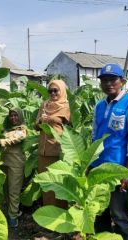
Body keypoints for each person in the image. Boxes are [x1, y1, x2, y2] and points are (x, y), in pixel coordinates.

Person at [91, 63, 128, 240]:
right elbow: (94, 138)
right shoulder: (99, 106)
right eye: (104, 80)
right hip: (98, 170)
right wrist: (90, 166)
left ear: (122, 81)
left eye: (113, 79)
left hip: (118, 170)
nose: (108, 83)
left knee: (119, 215)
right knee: (99, 212)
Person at [35, 79, 70, 208]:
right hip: (43, 151)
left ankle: (60, 216)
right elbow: (36, 126)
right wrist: (40, 121)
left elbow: (64, 122)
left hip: (57, 150)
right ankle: (48, 217)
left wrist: (49, 119)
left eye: (56, 90)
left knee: (59, 185)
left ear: (62, 91)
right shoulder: (44, 105)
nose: (53, 93)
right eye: (50, 91)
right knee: (46, 184)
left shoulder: (65, 105)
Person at [0, 108, 27, 227]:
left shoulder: (22, 129)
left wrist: (3, 141)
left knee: (14, 190)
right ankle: (12, 211)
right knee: (6, 189)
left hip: (16, 164)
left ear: (20, 117)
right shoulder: (6, 129)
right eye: (11, 116)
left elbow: (17, 138)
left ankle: (13, 217)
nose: (13, 118)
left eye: (16, 115)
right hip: (4, 163)